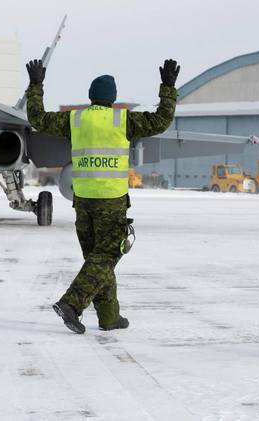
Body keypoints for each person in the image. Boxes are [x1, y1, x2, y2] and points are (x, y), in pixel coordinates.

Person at [26, 58, 180, 334]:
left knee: (97, 260)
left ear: (91, 97)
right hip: (111, 201)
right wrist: (167, 87)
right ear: (112, 99)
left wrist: (36, 85)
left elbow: (38, 118)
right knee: (106, 257)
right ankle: (71, 304)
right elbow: (161, 120)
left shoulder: (75, 120)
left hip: (83, 201)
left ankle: (110, 317)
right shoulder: (122, 120)